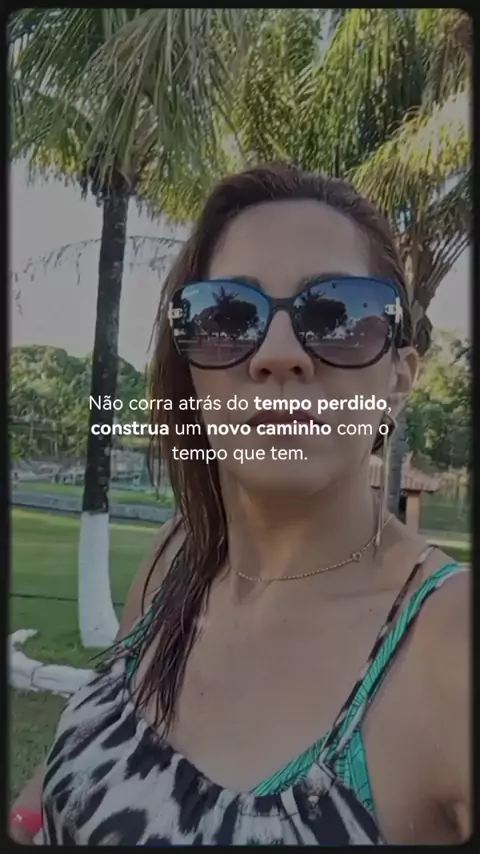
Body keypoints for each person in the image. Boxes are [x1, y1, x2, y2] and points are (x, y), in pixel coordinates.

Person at [10, 163, 470, 845]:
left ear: (399, 379)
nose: (278, 354)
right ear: (191, 372)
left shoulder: (448, 642)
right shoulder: (175, 561)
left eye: (338, 314)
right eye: (228, 316)